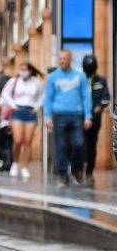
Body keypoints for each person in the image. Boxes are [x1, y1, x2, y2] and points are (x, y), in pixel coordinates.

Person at [44, 49, 93, 188]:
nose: (62, 61)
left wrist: (88, 116)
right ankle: (63, 175)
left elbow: (86, 97)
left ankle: (76, 170)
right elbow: (48, 98)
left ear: (70, 59)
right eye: (60, 58)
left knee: (79, 143)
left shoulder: (80, 76)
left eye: (65, 58)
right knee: (61, 146)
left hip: (76, 115)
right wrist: (47, 116)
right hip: (59, 115)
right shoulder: (53, 77)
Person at [0, 62, 43, 179]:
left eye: (25, 70)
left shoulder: (37, 83)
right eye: (21, 69)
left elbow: (42, 96)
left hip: (30, 112)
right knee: (17, 139)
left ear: (30, 70)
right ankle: (15, 162)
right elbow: (5, 93)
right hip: (17, 111)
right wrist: (13, 105)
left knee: (28, 141)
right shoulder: (14, 81)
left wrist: (36, 107)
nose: (22, 72)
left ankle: (24, 167)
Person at [82, 54, 110, 186]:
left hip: (95, 119)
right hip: (80, 118)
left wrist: (100, 106)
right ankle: (77, 169)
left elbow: (106, 97)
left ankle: (89, 172)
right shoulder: (80, 79)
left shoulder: (101, 80)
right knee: (79, 144)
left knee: (91, 145)